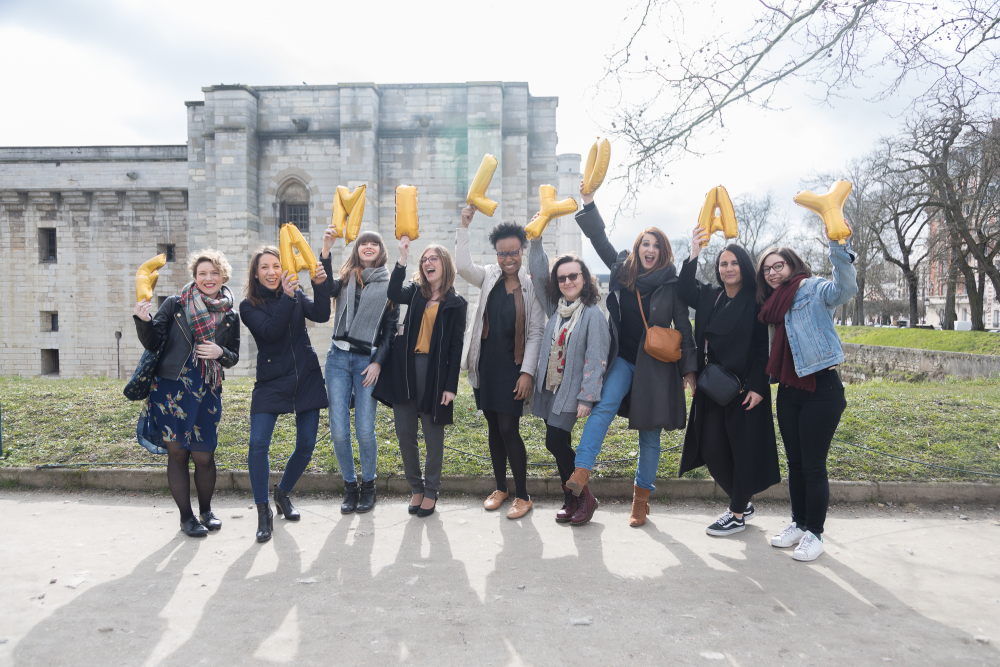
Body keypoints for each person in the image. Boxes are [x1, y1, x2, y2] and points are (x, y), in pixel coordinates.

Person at [567, 183, 697, 527]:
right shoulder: (624, 272)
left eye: (656, 245)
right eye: (645, 243)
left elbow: (683, 326)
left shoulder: (673, 283)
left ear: (663, 251)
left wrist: (689, 370)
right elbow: (600, 241)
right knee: (604, 406)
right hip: (624, 358)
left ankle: (641, 501)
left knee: (649, 434)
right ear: (638, 248)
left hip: (656, 366)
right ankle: (581, 472)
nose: (649, 249)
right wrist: (589, 203)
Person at [757, 235, 857, 562]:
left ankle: (815, 533)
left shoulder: (812, 288)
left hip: (821, 388)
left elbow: (845, 289)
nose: (772, 273)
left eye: (778, 265)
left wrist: (839, 248)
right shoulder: (771, 304)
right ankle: (798, 524)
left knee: (813, 466)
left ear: (792, 264)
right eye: (767, 270)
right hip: (788, 390)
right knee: (796, 463)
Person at [677, 227, 780, 537]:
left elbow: (765, 349)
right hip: (711, 385)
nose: (728, 268)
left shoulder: (758, 299)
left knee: (743, 450)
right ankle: (742, 500)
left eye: (734, 262)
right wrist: (694, 253)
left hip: (745, 389)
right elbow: (684, 290)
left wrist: (760, 387)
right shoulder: (711, 295)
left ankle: (736, 513)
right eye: (723, 263)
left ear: (743, 267)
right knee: (710, 448)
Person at [133, 249, 240, 537]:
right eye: (202, 273)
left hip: (207, 388)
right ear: (194, 276)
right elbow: (153, 342)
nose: (208, 278)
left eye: (214, 273)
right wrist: (143, 320)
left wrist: (221, 352)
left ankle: (206, 510)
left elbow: (234, 355)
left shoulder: (230, 314)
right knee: (178, 454)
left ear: (223, 277)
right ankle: (186, 517)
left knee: (204, 455)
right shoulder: (175, 304)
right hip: (171, 389)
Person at [239, 240, 332, 543]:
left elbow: (321, 314)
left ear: (284, 268)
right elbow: (270, 333)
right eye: (264, 267)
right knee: (257, 444)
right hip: (271, 381)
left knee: (306, 444)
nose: (271, 272)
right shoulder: (248, 306)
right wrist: (289, 298)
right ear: (255, 274)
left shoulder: (296, 293)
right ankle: (263, 510)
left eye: (276, 266)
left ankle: (282, 493)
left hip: (305, 375)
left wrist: (320, 283)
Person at [456, 206, 545, 519]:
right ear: (496, 253)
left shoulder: (531, 284)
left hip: (514, 367)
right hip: (487, 364)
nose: (508, 259)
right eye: (502, 253)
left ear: (522, 250)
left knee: (509, 428)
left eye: (513, 252)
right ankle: (501, 487)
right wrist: (464, 226)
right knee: (494, 428)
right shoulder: (488, 276)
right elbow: (463, 266)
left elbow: (535, 332)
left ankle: (523, 494)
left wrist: (527, 373)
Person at [373, 238, 468, 518]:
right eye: (424, 259)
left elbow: (455, 346)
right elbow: (392, 290)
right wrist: (402, 259)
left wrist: (451, 386)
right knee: (405, 434)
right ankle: (416, 487)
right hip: (405, 370)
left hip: (435, 373)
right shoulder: (415, 292)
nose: (428, 263)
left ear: (445, 264)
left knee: (432, 436)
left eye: (433, 258)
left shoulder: (456, 303)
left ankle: (431, 491)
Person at [527, 236, 610, 525]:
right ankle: (574, 498)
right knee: (557, 442)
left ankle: (582, 497)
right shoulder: (557, 310)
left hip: (572, 393)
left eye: (573, 275)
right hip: (551, 389)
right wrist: (536, 240)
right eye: (562, 278)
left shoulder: (592, 315)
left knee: (555, 440)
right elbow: (538, 276)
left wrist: (587, 397)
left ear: (585, 279)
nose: (567, 281)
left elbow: (596, 357)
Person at [325, 231, 399, 514]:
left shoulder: (390, 285)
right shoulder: (344, 280)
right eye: (363, 243)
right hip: (338, 359)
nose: (368, 246)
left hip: (367, 361)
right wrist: (326, 251)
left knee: (365, 429)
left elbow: (390, 330)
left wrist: (378, 362)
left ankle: (369, 485)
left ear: (381, 250)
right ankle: (350, 486)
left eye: (374, 243)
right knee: (339, 430)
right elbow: (324, 287)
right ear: (357, 250)